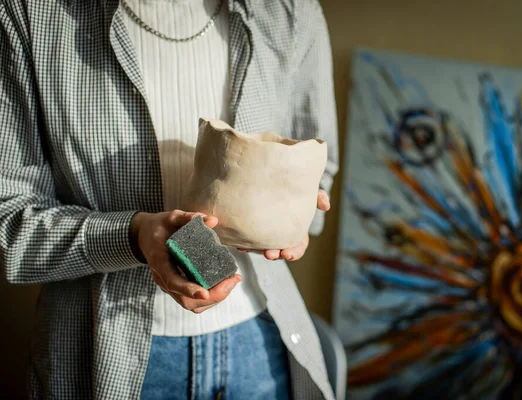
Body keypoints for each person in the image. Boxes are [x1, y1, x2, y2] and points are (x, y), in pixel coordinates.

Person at [0, 0, 338, 398]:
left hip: (261, 345)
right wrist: (132, 236)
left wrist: (297, 209)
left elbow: (321, 165)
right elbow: (10, 221)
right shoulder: (31, 13)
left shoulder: (290, 11)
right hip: (105, 356)